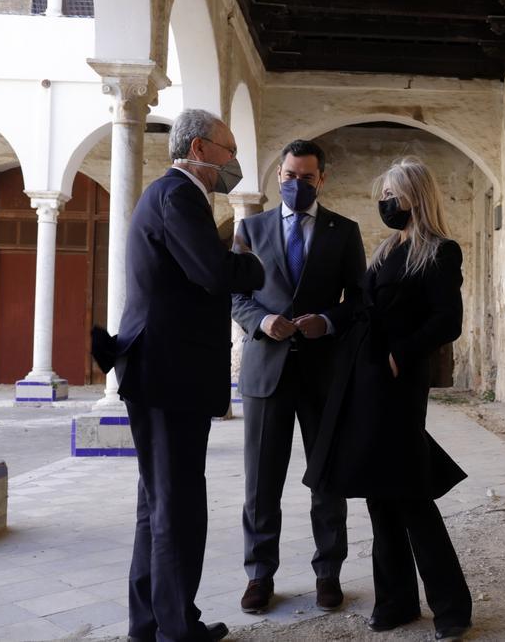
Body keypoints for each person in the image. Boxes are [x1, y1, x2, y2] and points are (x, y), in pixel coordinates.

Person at [95, 108, 265, 642]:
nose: (232, 161)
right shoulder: (179, 195)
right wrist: (252, 264)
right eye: (227, 149)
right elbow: (213, 274)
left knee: (159, 502)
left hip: (162, 371)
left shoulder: (171, 197)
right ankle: (175, 629)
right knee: (177, 506)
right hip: (169, 374)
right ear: (197, 149)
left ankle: (151, 623)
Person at [304, 157, 472, 641]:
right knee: (380, 494)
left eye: (393, 195)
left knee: (411, 495)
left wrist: (402, 354)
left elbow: (447, 320)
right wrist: (329, 321)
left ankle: (451, 608)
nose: (385, 203)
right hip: (363, 380)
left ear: (415, 197)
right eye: (383, 195)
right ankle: (395, 600)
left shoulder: (440, 252)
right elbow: (362, 306)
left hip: (399, 383)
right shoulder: (385, 250)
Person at [230, 139, 365, 613]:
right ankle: (259, 575)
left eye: (306, 177)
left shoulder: (344, 232)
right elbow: (237, 296)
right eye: (289, 176)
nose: (296, 184)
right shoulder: (250, 228)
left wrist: (327, 321)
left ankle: (328, 571)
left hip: (324, 372)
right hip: (267, 370)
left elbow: (359, 303)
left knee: (326, 478)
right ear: (278, 176)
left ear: (321, 179)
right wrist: (262, 322)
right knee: (261, 482)